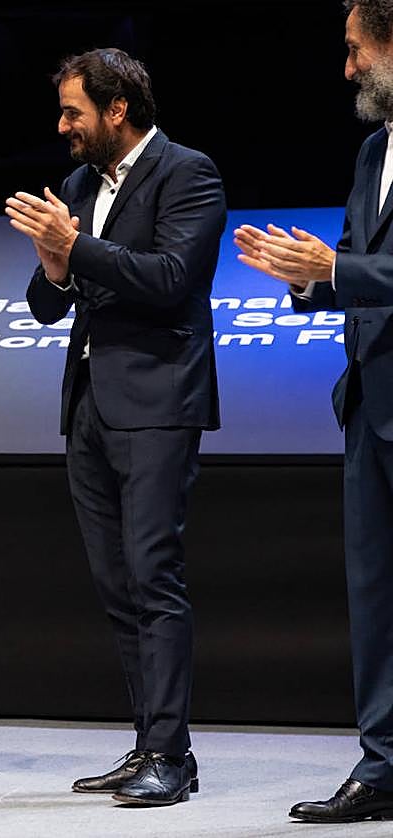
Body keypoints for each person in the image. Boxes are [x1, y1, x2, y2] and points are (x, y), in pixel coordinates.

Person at [6, 48, 225, 806]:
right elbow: (46, 301)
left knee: (154, 576)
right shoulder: (76, 186)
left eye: (74, 112)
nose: (63, 125)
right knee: (117, 584)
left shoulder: (188, 173)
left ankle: (172, 752)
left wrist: (77, 249)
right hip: (89, 407)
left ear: (117, 110)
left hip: (159, 402)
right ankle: (148, 747)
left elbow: (171, 280)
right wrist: (55, 261)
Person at [234, 1, 393, 823]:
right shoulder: (374, 150)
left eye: (355, 49)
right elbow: (361, 268)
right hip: (371, 404)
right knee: (375, 596)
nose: (346, 67)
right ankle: (383, 765)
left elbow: (369, 268)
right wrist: (306, 279)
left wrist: (342, 268)